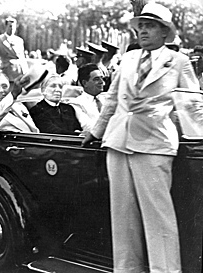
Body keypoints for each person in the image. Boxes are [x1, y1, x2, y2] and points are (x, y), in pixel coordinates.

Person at [82, 3, 200, 272]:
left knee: (159, 219)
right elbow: (111, 99)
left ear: (164, 32)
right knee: (122, 219)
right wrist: (96, 131)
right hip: (117, 142)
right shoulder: (127, 59)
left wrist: (195, 133)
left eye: (150, 26)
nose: (143, 31)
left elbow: (192, 105)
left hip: (154, 144)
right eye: (141, 26)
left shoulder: (179, 62)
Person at [0, 17, 28, 85]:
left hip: (20, 72)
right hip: (7, 72)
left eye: (14, 26)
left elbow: (22, 57)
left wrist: (25, 70)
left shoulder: (19, 40)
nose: (12, 28)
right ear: (6, 26)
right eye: (10, 26)